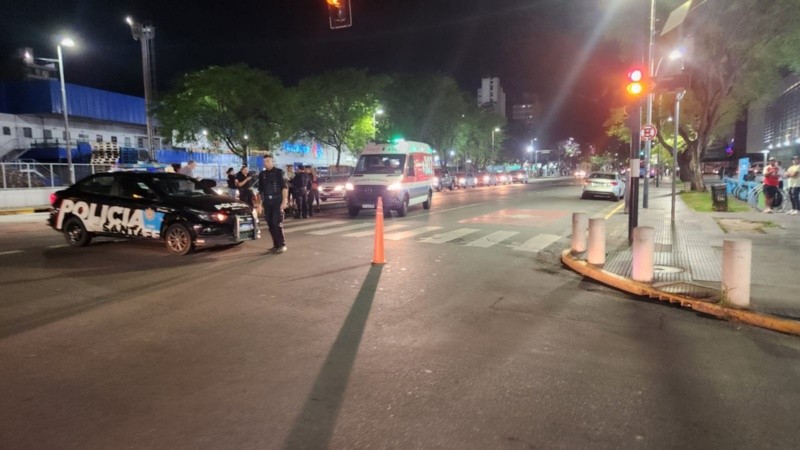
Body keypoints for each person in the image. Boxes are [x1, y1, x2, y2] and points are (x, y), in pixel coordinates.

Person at [258, 154, 288, 254]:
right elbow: (260, 190)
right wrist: (259, 204)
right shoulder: (262, 174)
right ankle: (275, 245)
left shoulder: (278, 172)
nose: (265, 163)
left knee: (276, 222)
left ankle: (282, 245)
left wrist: (284, 201)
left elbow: (284, 187)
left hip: (277, 200)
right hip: (267, 201)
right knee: (270, 223)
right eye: (264, 161)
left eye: (268, 161)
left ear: (272, 162)